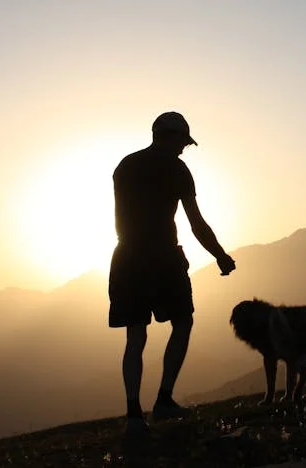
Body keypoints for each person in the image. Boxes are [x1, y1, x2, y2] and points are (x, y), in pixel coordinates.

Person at [108, 111, 236, 434]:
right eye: (182, 142)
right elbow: (196, 223)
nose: (184, 149)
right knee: (183, 321)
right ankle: (164, 401)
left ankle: (134, 414)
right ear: (169, 136)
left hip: (126, 257)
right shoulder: (178, 170)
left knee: (135, 334)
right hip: (163, 258)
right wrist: (220, 256)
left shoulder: (125, 167)